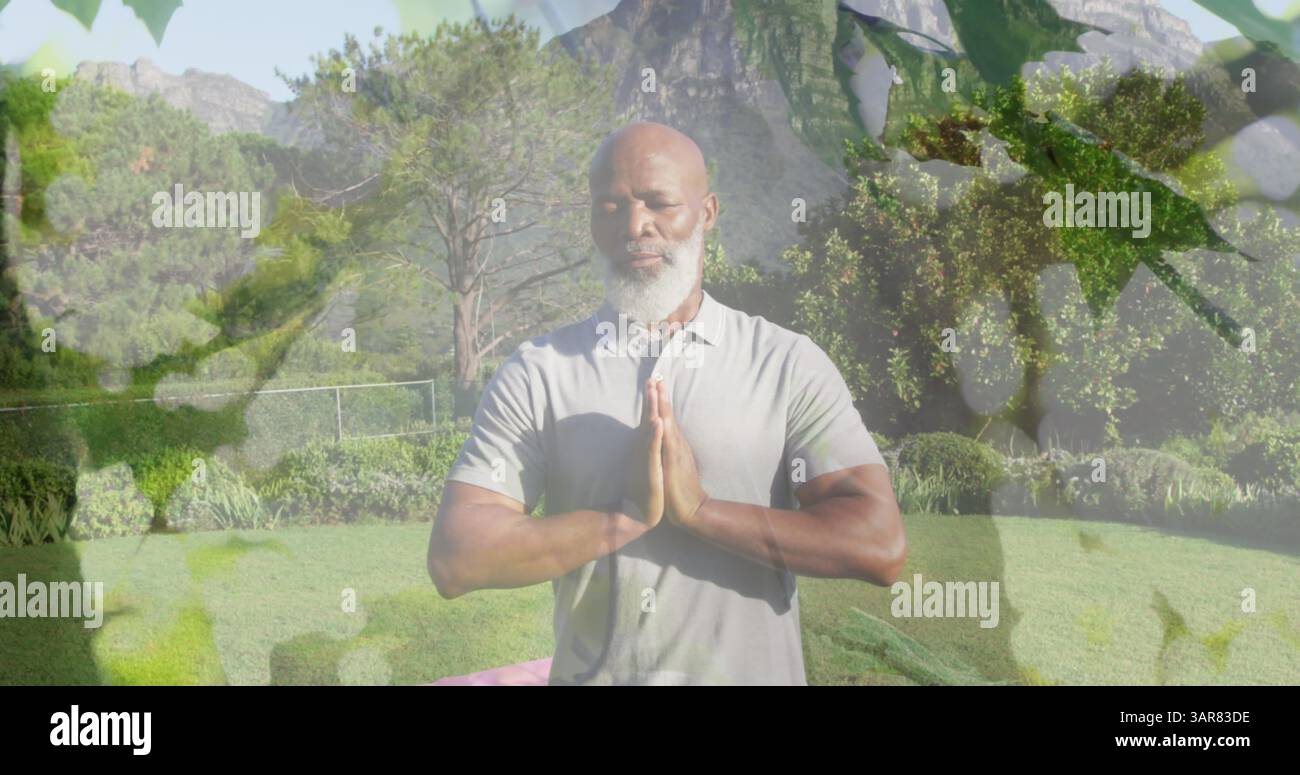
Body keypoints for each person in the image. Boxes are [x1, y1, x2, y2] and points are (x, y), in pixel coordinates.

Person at [427, 121, 905, 685]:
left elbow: (879, 544)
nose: (634, 226)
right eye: (610, 207)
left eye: (659, 203)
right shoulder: (540, 372)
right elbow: (458, 559)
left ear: (707, 212)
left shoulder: (785, 363)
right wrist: (622, 518)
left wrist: (702, 512)